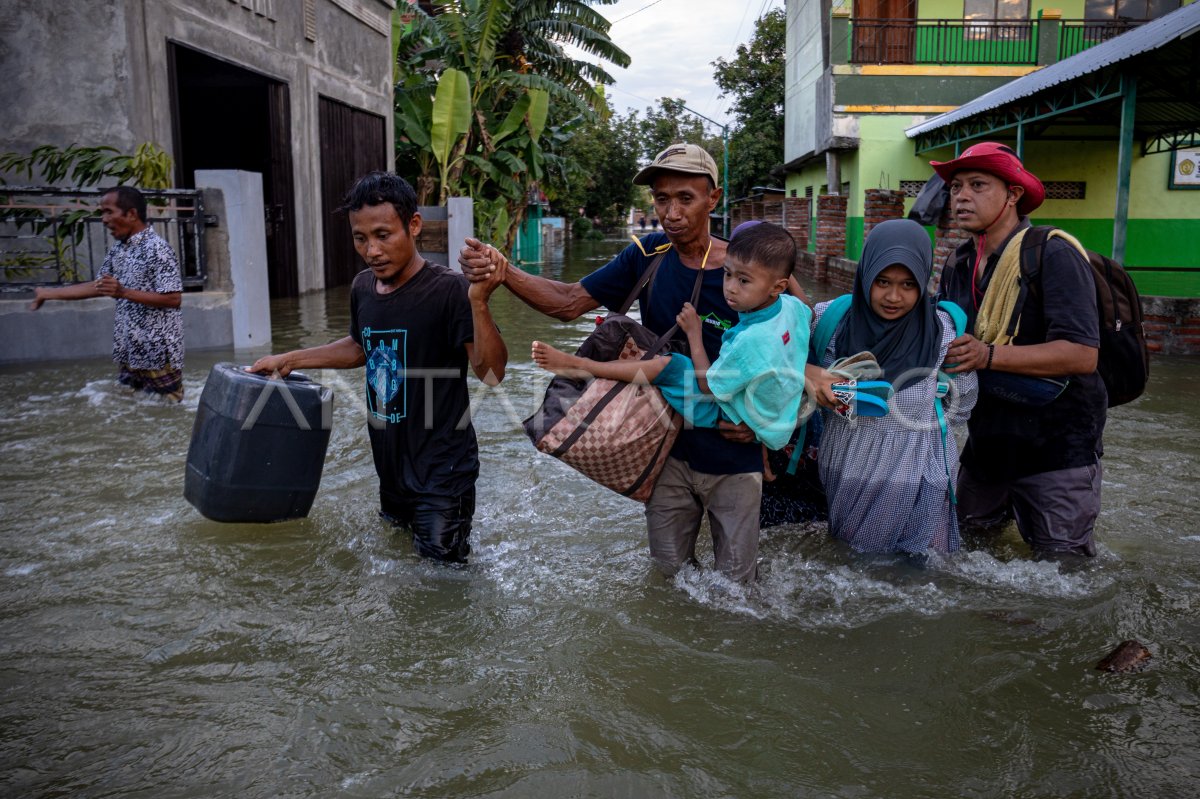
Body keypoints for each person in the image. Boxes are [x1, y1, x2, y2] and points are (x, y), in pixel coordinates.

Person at [462, 143, 802, 584]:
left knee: (739, 591)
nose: (672, 212)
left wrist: (773, 428)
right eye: (662, 199)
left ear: (713, 199)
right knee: (668, 580)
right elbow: (568, 303)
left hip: (735, 452)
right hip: (663, 451)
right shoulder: (647, 254)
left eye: (686, 198)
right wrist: (504, 271)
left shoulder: (752, 268)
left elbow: (796, 349)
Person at [249, 172, 507, 564]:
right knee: (403, 571)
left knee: (441, 586)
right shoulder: (362, 288)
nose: (372, 250)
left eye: (383, 235)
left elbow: (491, 373)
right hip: (390, 470)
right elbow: (359, 347)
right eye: (360, 238)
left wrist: (480, 302)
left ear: (414, 225)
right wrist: (290, 359)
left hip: (443, 474)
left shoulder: (451, 290)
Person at [932, 142, 1105, 559]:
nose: (962, 197)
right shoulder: (958, 263)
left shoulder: (1053, 253)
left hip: (1056, 445)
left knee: (1061, 569)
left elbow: (1083, 354)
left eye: (977, 185)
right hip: (988, 439)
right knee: (964, 548)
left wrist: (988, 356)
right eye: (956, 187)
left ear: (1013, 195)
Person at [531, 222, 810, 456]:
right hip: (777, 417)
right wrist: (780, 271)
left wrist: (694, 333)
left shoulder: (750, 341)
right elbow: (808, 310)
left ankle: (583, 365)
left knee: (671, 365)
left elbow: (705, 384)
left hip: (732, 416)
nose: (730, 289)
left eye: (744, 281)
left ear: (777, 286)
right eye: (727, 274)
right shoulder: (792, 308)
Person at [810, 219, 977, 555]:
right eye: (882, 281)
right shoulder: (829, 321)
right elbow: (784, 370)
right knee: (852, 567)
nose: (893, 296)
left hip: (917, 471)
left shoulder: (943, 333)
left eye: (908, 284)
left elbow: (963, 404)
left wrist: (917, 415)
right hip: (846, 468)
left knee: (916, 573)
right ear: (866, 274)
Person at [29, 186, 185, 401]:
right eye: (102, 212)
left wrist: (123, 292)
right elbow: (99, 286)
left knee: (168, 409)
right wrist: (48, 293)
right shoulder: (119, 249)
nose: (103, 219)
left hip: (157, 351)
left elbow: (173, 299)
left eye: (109, 211)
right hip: (130, 347)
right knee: (133, 408)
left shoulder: (157, 249)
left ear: (131, 214)